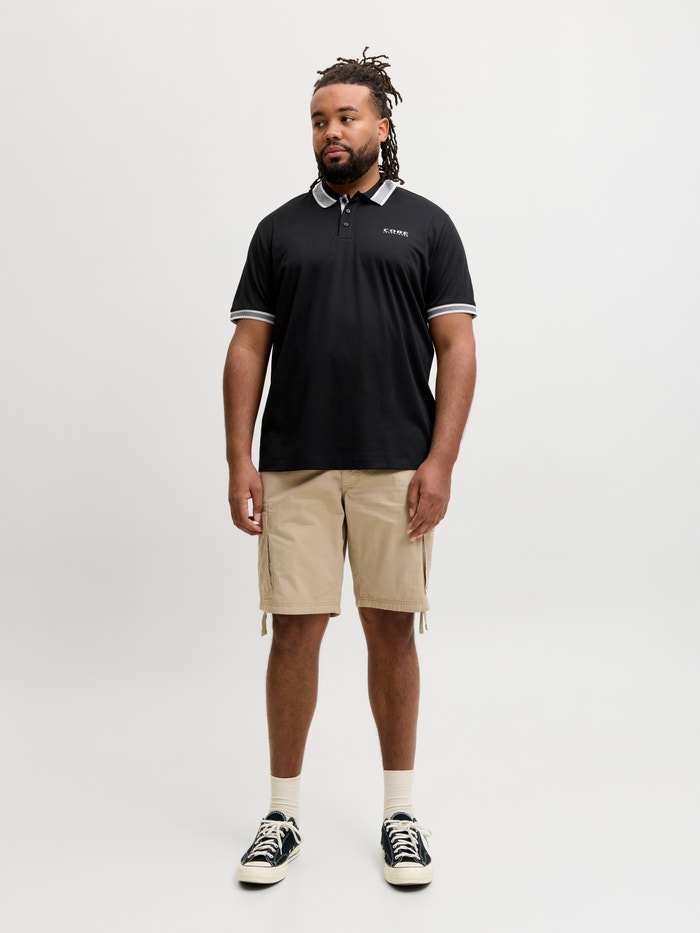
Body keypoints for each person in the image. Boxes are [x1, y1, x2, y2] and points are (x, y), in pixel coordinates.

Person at [223, 48, 477, 886]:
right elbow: (248, 347)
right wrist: (239, 458)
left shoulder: (428, 225)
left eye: (346, 117)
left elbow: (458, 348)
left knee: (391, 628)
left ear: (381, 125)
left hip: (396, 464)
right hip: (294, 464)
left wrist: (440, 461)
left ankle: (400, 814)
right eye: (319, 120)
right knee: (294, 630)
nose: (331, 131)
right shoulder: (279, 229)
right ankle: (281, 815)